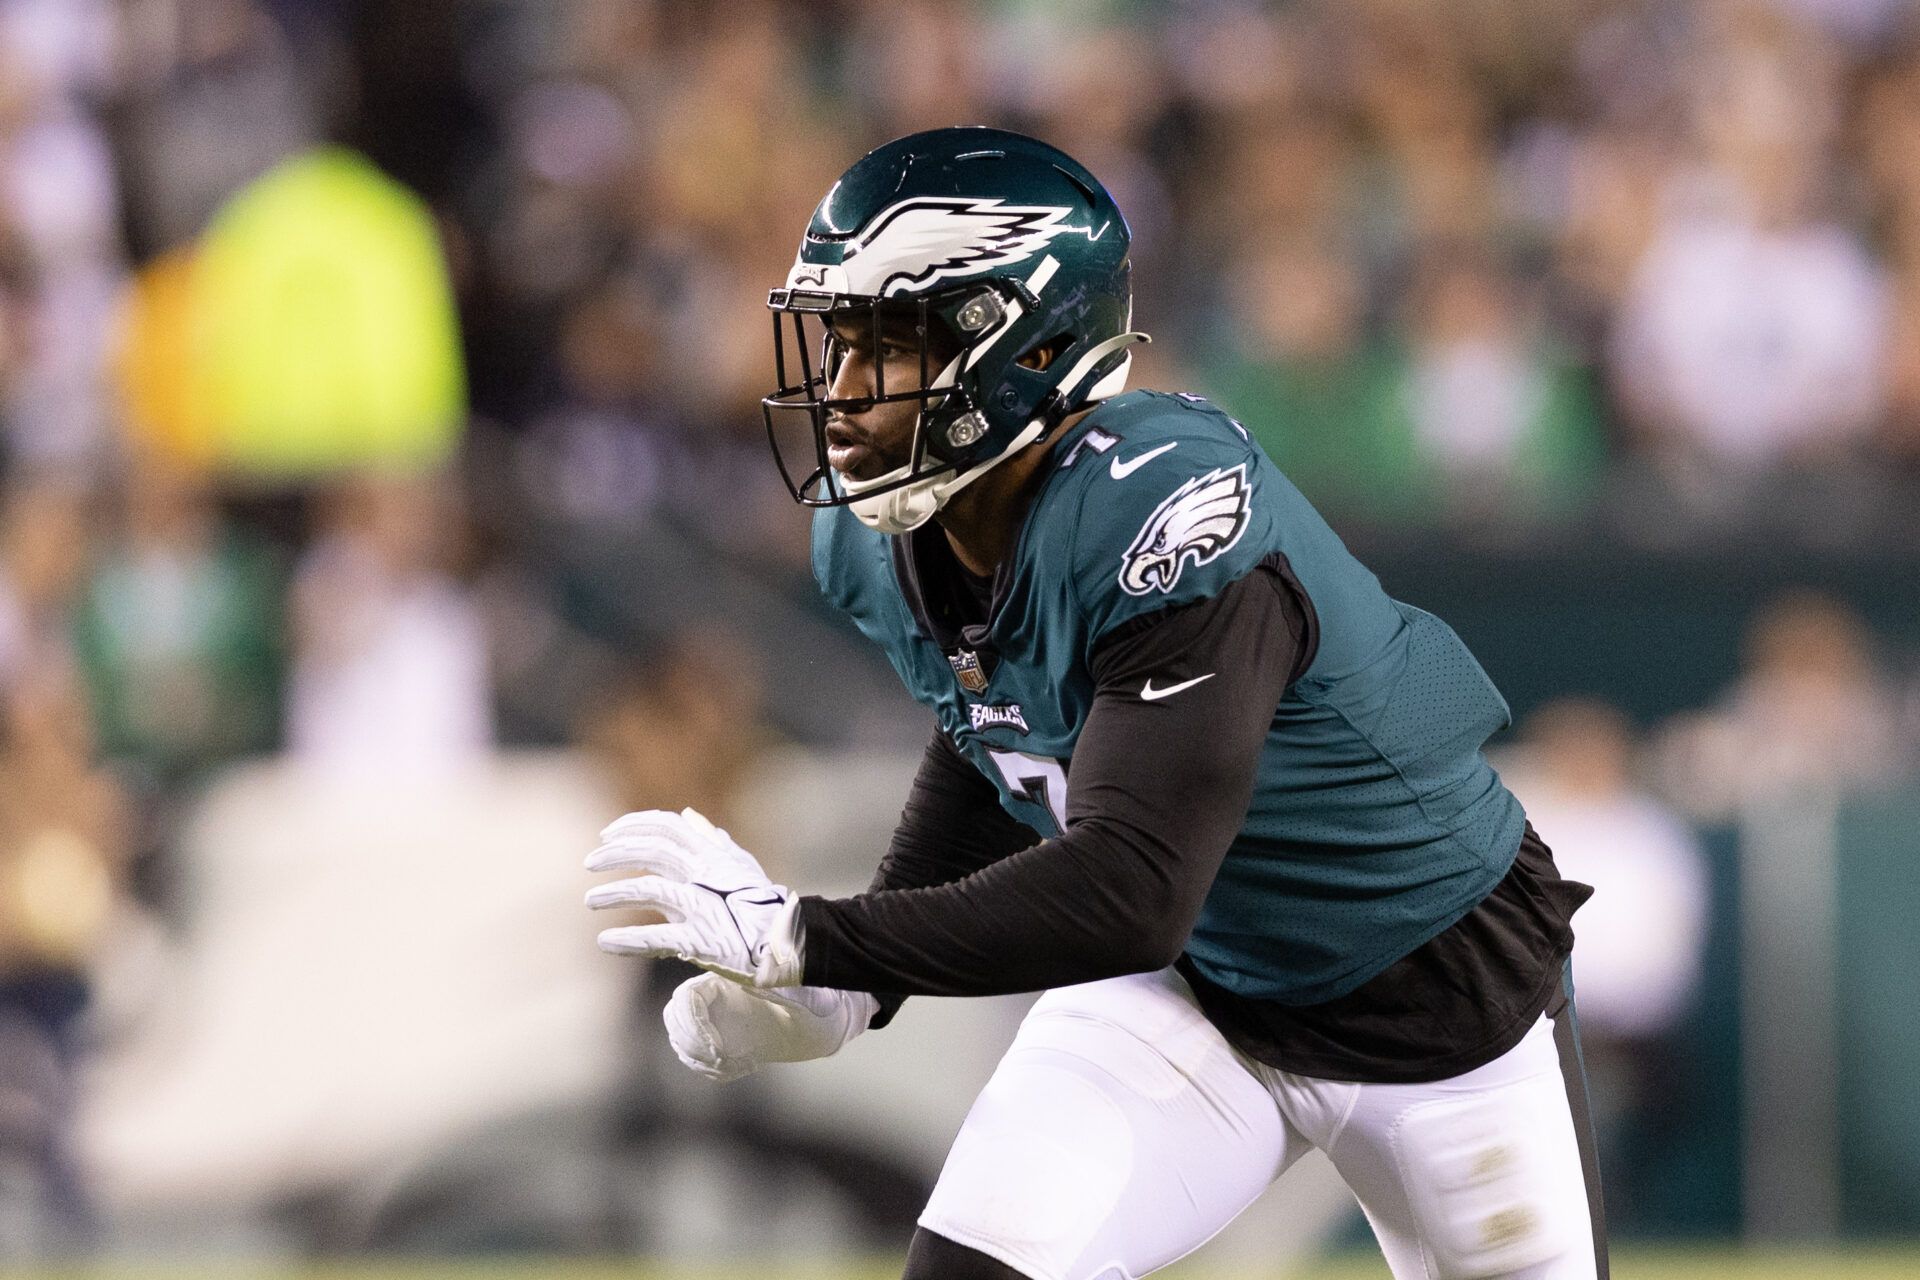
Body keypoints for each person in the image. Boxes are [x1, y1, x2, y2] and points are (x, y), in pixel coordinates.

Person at [584, 127, 1608, 1280]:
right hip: (1205, 993)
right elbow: (993, 731)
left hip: (1442, 1002)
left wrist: (810, 936)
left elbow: (1130, 889)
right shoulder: (884, 540)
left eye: (893, 341)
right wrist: (860, 983)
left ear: (1022, 348)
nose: (843, 387)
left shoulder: (1164, 508)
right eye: (841, 338)